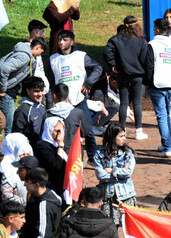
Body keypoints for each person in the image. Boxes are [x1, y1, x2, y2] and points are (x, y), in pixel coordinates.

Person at [49, 30, 102, 158]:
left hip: (79, 100)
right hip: (62, 103)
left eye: (65, 40)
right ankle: (66, 157)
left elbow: (98, 68)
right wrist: (50, 102)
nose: (61, 42)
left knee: (88, 131)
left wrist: (89, 83)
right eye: (59, 40)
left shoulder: (81, 55)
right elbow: (50, 82)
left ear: (72, 42)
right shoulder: (53, 59)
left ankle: (93, 157)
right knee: (62, 132)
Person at [0, 37, 46, 135]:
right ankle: (9, 149)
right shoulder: (24, 56)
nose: (39, 56)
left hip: (10, 92)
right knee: (10, 127)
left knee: (9, 124)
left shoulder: (27, 56)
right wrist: (2, 90)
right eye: (41, 52)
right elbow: (5, 70)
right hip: (6, 93)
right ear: (38, 47)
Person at [103, 16, 148, 138]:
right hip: (137, 76)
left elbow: (107, 52)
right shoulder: (141, 41)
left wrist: (113, 65)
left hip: (122, 74)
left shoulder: (116, 39)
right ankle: (138, 131)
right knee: (137, 103)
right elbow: (145, 59)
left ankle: (122, 130)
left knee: (124, 103)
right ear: (136, 25)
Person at [145, 18, 171, 157]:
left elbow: (148, 66)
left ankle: (167, 146)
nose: (153, 30)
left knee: (162, 116)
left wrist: (147, 82)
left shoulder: (152, 44)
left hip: (157, 83)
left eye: (154, 27)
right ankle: (168, 144)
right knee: (167, 115)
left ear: (158, 30)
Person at [92, 123, 137, 225]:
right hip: (108, 197)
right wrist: (121, 174)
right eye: (121, 136)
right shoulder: (99, 155)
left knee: (130, 227)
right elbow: (100, 175)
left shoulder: (127, 153)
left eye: (124, 135)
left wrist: (113, 171)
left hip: (126, 195)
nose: (124, 139)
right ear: (112, 137)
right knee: (110, 227)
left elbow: (128, 172)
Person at [12, 76, 47, 145]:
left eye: (42, 90)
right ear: (28, 91)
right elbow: (17, 133)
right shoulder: (23, 110)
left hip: (42, 147)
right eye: (36, 91)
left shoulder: (42, 106)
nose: (40, 94)